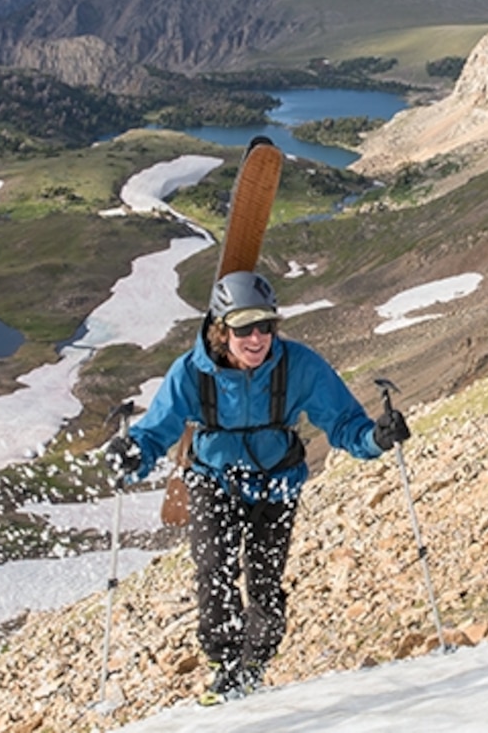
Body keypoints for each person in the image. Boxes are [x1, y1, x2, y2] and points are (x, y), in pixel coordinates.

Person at [105, 270, 410, 702]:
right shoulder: (191, 372)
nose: (257, 338)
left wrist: (376, 438)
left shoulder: (299, 366)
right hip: (214, 480)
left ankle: (254, 665)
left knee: (265, 582)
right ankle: (226, 668)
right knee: (214, 570)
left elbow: (343, 422)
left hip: (277, 483)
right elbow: (155, 431)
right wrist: (132, 456)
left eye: (265, 326)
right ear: (221, 330)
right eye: (244, 328)